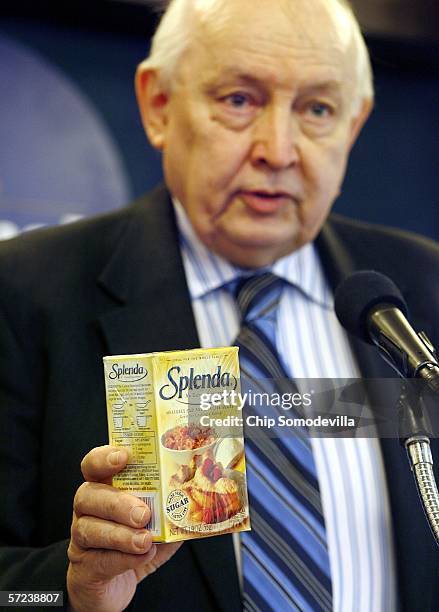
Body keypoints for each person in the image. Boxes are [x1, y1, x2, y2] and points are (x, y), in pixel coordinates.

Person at [0, 0, 438, 610]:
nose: (278, 150)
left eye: (317, 109)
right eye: (239, 100)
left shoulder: (423, 290)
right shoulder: (24, 293)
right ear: (159, 105)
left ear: (354, 124)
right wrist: (67, 591)